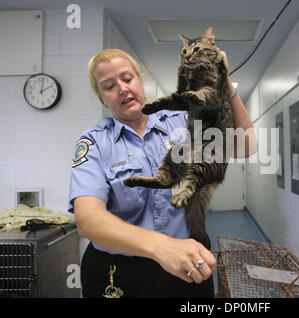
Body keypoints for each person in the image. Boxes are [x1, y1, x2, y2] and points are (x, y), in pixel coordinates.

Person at [68, 48, 256, 298]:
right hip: (118, 273)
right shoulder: (94, 143)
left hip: (188, 263)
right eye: (108, 86)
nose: (122, 89)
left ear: (140, 79)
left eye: (127, 78)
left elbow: (245, 146)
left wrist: (225, 81)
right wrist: (162, 247)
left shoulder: (182, 119)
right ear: (101, 97)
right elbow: (88, 220)